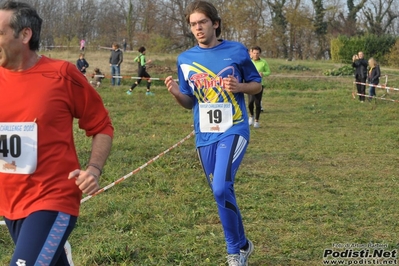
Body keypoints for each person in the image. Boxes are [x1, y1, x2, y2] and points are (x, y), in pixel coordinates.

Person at [0, 2, 114, 266]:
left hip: (53, 198)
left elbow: (102, 126)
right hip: (10, 201)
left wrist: (94, 170)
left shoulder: (61, 75)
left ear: (25, 35)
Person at [164, 1, 261, 265]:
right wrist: (176, 94)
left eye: (202, 22)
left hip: (234, 128)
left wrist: (240, 86)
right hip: (204, 134)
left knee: (220, 187)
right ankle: (243, 245)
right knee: (221, 191)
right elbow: (189, 102)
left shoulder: (237, 51)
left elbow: (257, 86)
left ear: (215, 23)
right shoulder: (185, 60)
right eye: (193, 24)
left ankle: (234, 252)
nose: (198, 28)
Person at [248, 46, 270, 128]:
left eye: (257, 53)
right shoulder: (248, 62)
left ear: (259, 54)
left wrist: (263, 73)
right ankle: (251, 116)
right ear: (251, 53)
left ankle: (257, 121)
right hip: (250, 84)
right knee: (250, 102)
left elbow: (268, 72)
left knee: (257, 103)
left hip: (259, 85)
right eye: (254, 53)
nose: (256, 55)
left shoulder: (263, 62)